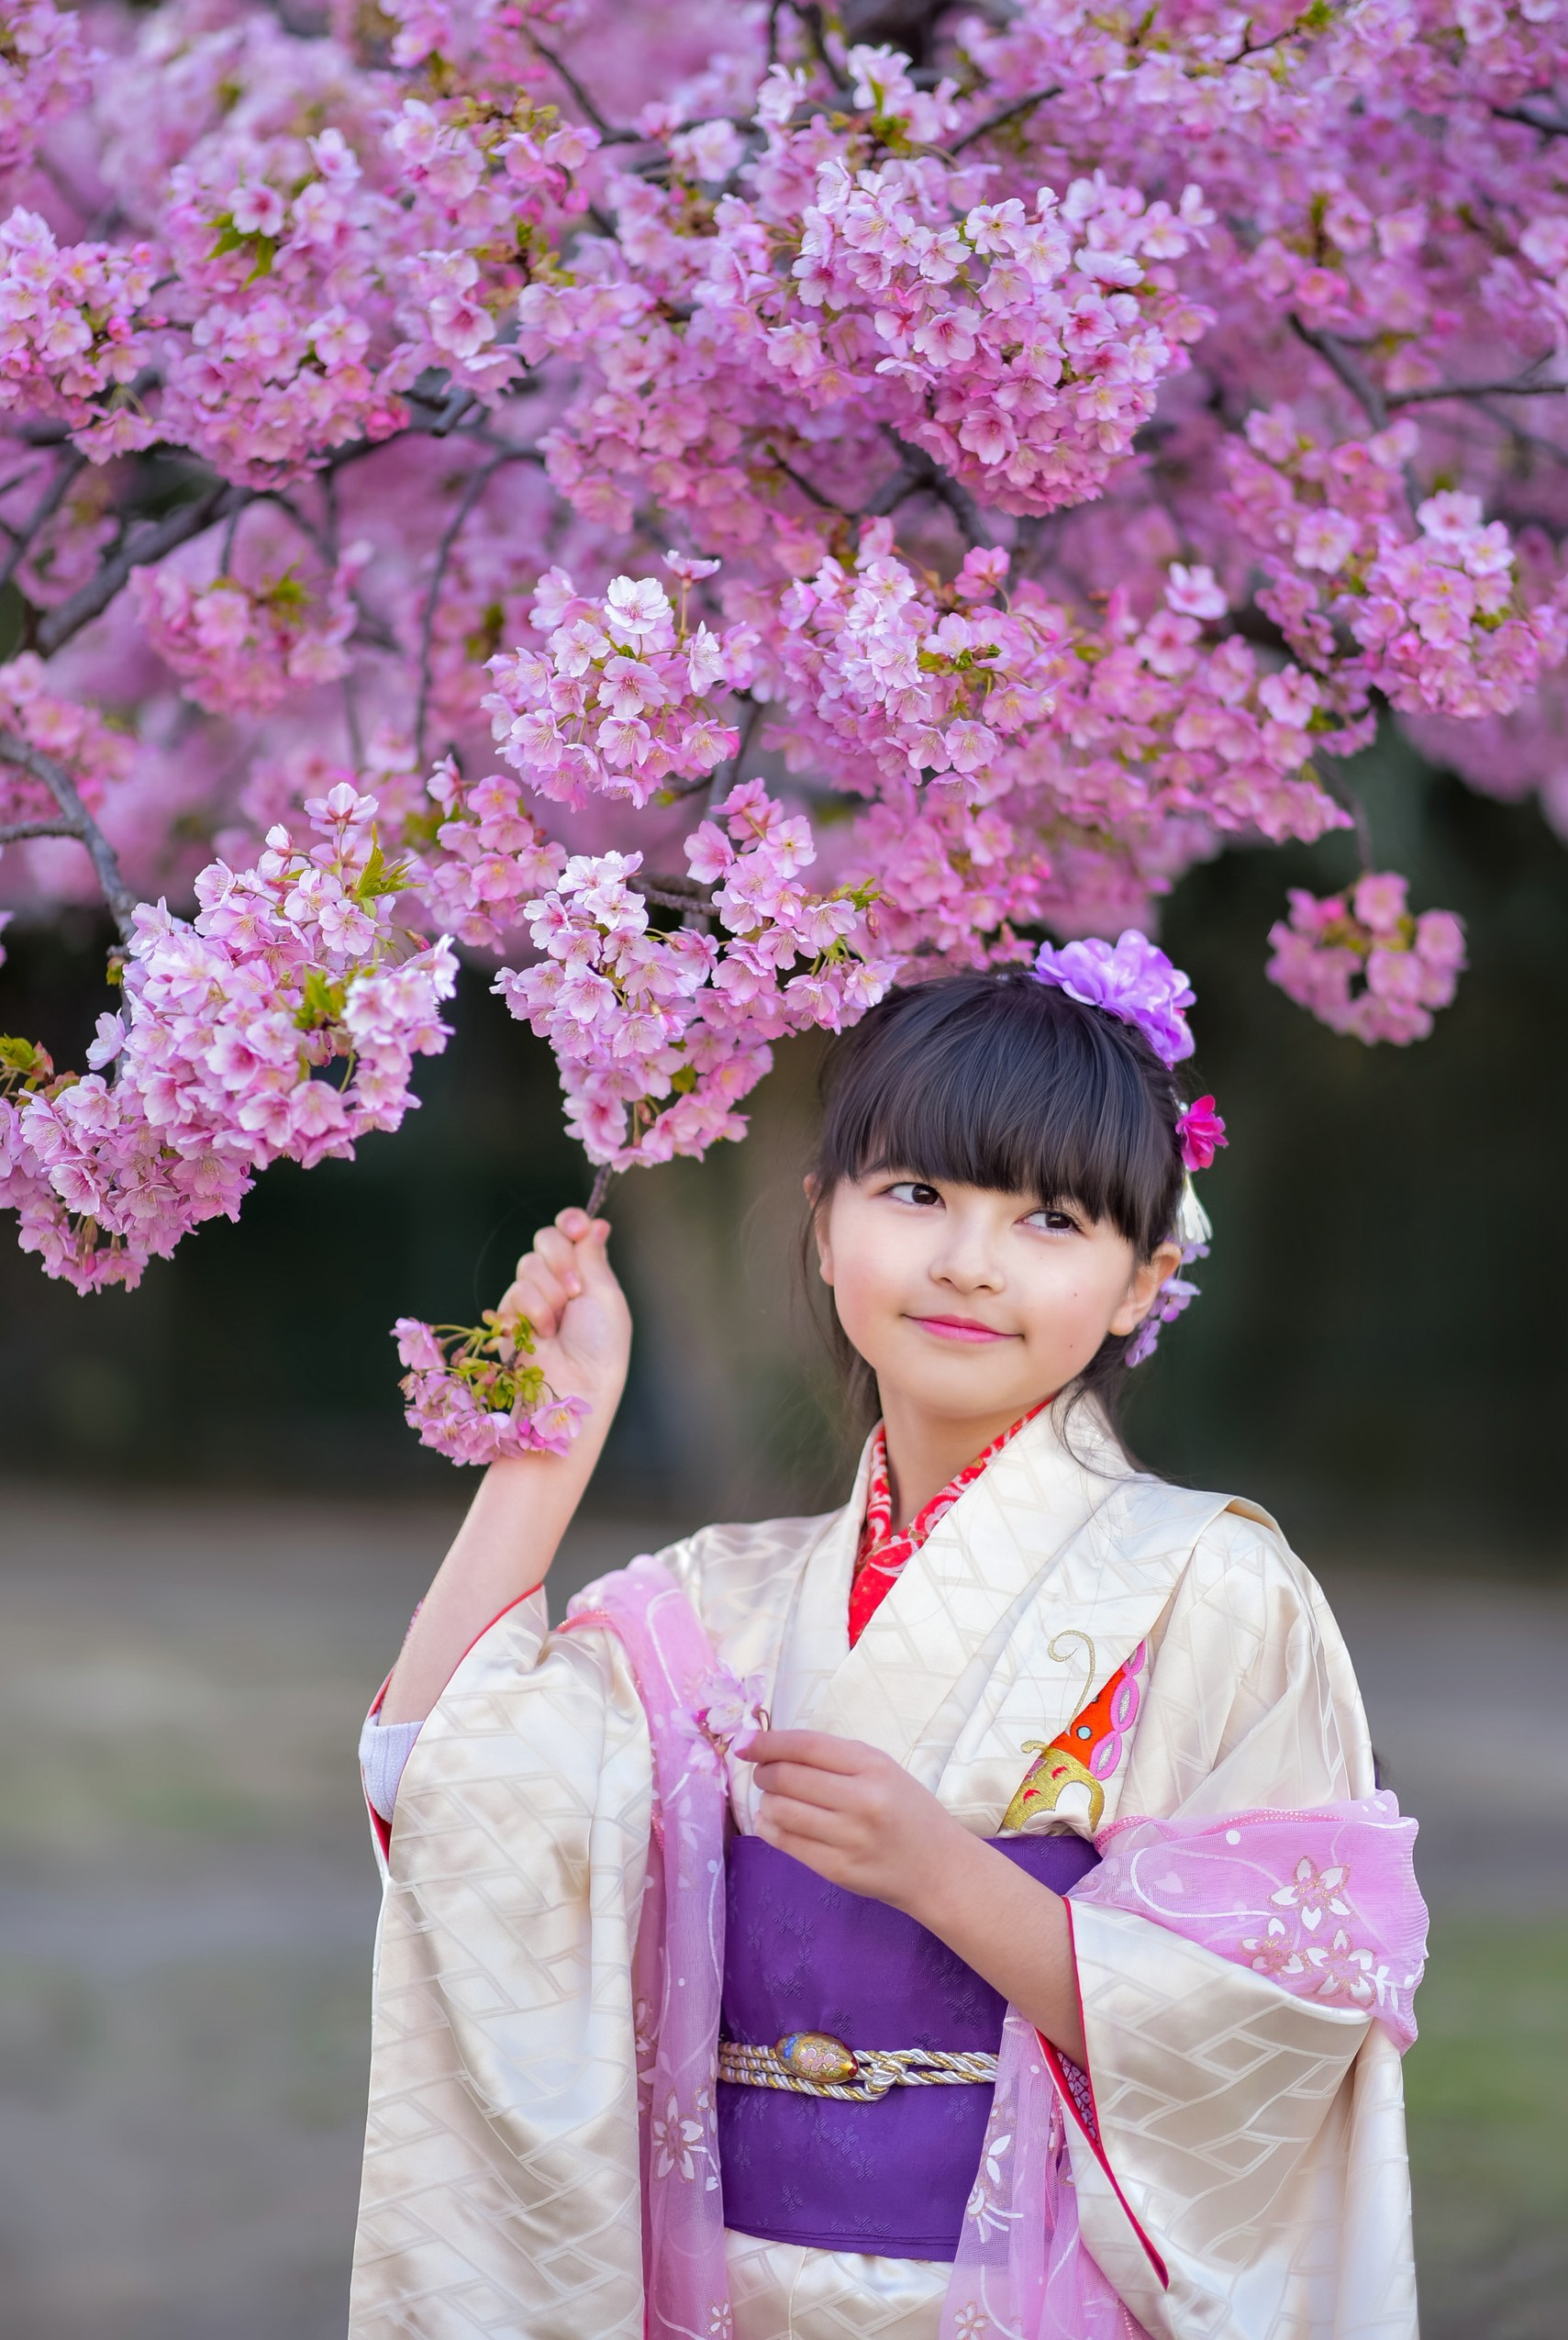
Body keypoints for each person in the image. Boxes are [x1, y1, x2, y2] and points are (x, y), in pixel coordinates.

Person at [349, 941, 1428, 2340]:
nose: (968, 1264)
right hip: (727, 2288)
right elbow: (441, 1788)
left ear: (1139, 1280)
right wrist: (549, 1448)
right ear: (821, 1223)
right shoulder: (716, 1602)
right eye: (915, 1195)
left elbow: (1281, 2010)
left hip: (1029, 2288)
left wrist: (944, 1879)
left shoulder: (1213, 1588)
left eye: (1049, 1221)